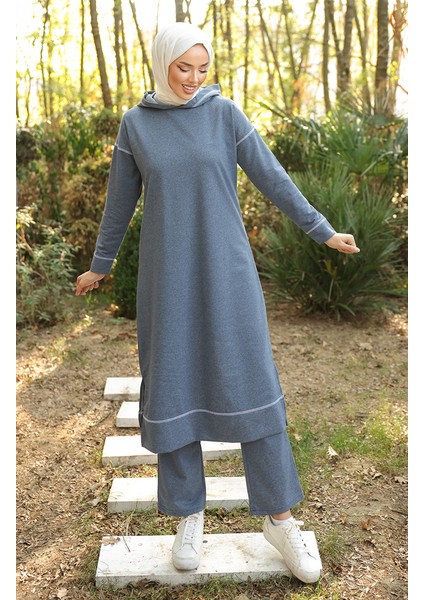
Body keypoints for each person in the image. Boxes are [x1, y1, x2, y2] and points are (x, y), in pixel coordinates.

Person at [76, 22, 360, 584]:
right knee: (173, 383)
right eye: (184, 68)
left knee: (252, 381)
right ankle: (188, 515)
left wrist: (322, 230)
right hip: (167, 280)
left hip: (228, 272)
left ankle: (280, 519)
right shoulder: (136, 126)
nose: (194, 79)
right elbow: (119, 203)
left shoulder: (224, 114)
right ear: (162, 63)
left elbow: (272, 178)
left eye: (202, 69)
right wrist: (100, 265)